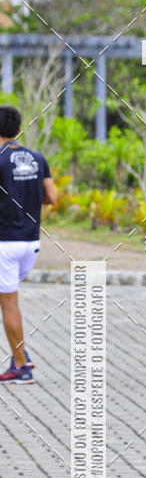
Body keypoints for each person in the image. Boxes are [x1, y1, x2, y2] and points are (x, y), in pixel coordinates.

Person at [0, 105, 56, 384]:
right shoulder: (37, 158)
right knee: (8, 299)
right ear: (20, 130)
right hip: (31, 244)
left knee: (9, 304)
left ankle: (21, 366)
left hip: (5, 245)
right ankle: (20, 353)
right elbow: (52, 197)